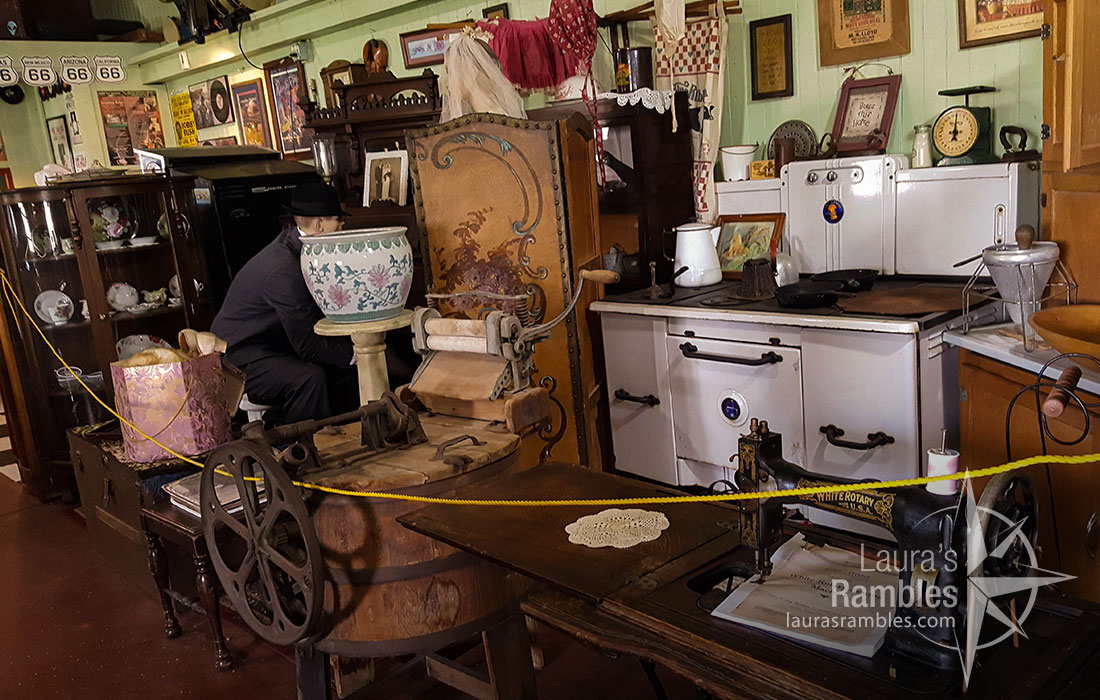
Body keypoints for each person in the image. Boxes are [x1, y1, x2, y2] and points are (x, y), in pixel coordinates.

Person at [212, 182, 358, 424]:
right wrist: (358, 353)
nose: (342, 225)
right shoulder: (284, 269)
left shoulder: (302, 246)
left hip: (274, 343)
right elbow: (307, 346)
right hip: (240, 356)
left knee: (341, 368)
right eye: (338, 220)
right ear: (319, 225)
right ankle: (300, 442)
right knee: (309, 378)